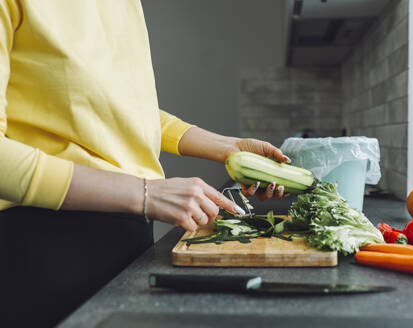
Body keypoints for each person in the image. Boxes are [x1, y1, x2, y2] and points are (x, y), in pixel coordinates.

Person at [0, 1, 288, 326]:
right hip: (47, 248)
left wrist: (229, 148)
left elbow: (121, 109)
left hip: (131, 235)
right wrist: (145, 193)